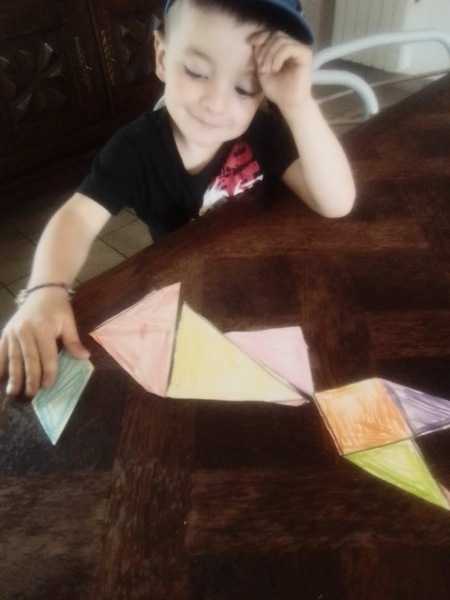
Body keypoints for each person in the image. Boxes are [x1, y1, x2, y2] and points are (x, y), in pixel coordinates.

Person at [0, 0, 355, 398]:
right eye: (196, 72)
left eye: (244, 88)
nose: (216, 103)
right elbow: (78, 218)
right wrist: (46, 290)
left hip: (271, 293)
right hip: (188, 304)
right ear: (162, 56)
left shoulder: (264, 131)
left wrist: (298, 105)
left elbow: (336, 202)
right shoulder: (133, 151)